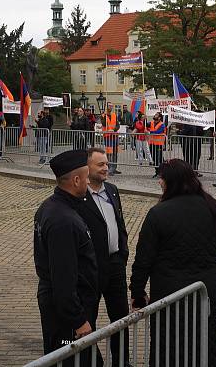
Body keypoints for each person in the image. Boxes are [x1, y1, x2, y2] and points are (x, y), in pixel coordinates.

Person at [130, 159, 216, 367]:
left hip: (170, 290)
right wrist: (208, 261)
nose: (159, 182)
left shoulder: (158, 213)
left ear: (172, 181)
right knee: (206, 332)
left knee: (170, 341)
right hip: (207, 286)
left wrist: (138, 293)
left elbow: (144, 258)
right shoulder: (212, 206)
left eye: (162, 178)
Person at [33, 150, 99, 365]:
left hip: (66, 306)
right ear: (76, 180)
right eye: (87, 178)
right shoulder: (63, 219)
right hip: (67, 311)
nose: (89, 183)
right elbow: (63, 276)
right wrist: (78, 320)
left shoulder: (53, 207)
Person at [78, 147, 130, 367]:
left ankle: (122, 361)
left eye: (107, 164)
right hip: (91, 268)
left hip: (115, 264)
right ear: (86, 167)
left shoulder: (112, 190)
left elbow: (119, 223)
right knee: (88, 316)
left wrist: (122, 253)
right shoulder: (79, 197)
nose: (106, 168)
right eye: (100, 165)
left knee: (120, 317)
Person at [103, 104, 121, 175]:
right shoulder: (103, 116)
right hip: (107, 136)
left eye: (111, 106)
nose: (111, 107)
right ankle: (109, 168)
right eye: (109, 106)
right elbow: (103, 124)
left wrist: (114, 129)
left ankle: (114, 168)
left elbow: (118, 125)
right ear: (106, 107)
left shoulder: (114, 115)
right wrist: (105, 116)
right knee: (109, 153)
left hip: (114, 135)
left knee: (115, 152)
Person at [148, 112, 166, 176]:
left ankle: (163, 172)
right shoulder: (151, 123)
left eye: (156, 115)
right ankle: (157, 171)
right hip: (152, 143)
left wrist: (149, 131)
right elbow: (145, 126)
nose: (155, 115)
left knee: (160, 158)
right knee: (154, 158)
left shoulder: (162, 124)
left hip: (159, 144)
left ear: (159, 117)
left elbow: (158, 132)